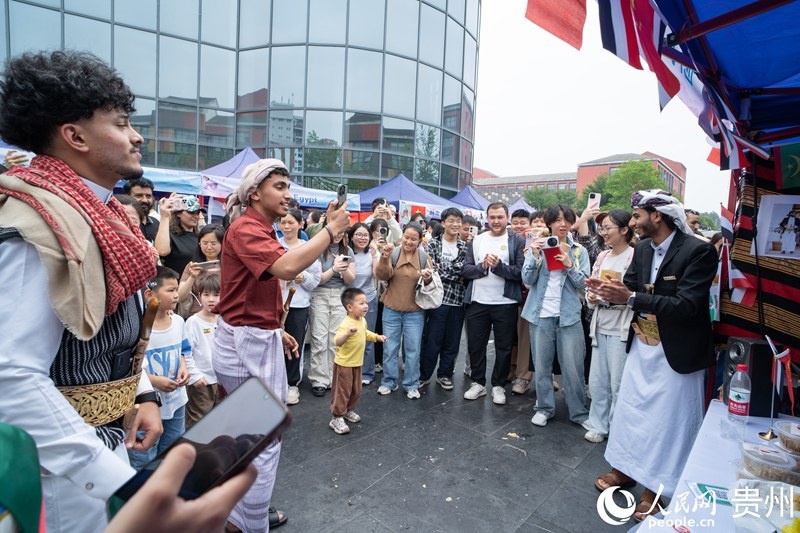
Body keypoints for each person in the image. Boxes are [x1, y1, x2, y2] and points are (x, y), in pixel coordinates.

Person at [0, 50, 162, 532]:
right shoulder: (36, 222)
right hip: (60, 472)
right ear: (74, 135)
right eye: (121, 123)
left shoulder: (100, 214)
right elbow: (10, 376)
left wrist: (144, 394)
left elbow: (116, 323)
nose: (136, 136)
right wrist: (116, 482)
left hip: (102, 445)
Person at [213, 157, 350, 532]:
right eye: (280, 187)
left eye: (289, 187)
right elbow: (288, 269)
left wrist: (277, 329)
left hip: (258, 334)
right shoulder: (245, 228)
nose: (288, 195)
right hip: (247, 339)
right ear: (254, 193)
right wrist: (329, 231)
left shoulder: (260, 227)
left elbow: (258, 287)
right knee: (263, 438)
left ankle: (237, 513)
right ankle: (245, 521)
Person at [588, 190, 717, 522]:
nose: (633, 223)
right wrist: (606, 291)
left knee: (668, 423)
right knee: (634, 411)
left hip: (677, 353)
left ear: (657, 216)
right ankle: (627, 469)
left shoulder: (699, 251)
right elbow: (629, 287)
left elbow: (688, 306)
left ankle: (657, 488)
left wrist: (630, 298)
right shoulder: (643, 249)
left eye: (637, 216)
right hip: (643, 344)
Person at [522, 203, 591, 427]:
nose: (562, 224)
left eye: (566, 220)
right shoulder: (539, 246)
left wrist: (569, 264)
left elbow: (585, 285)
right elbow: (527, 280)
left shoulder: (579, 250)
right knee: (542, 366)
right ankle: (544, 407)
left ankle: (579, 412)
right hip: (541, 314)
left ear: (572, 223)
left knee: (573, 367)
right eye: (557, 220)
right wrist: (533, 254)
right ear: (549, 223)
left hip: (569, 315)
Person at [461, 202, 525, 406]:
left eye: (500, 217)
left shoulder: (517, 240)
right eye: (492, 217)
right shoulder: (477, 240)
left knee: (504, 347)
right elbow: (466, 270)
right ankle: (478, 382)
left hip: (505, 302)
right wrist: (483, 266)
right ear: (487, 218)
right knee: (475, 345)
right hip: (478, 301)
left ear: (507, 217)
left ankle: (498, 385)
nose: (496, 221)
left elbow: (520, 272)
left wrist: (498, 267)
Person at [128, 267, 190, 471]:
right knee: (143, 458)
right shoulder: (138, 329)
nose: (176, 294)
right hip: (148, 406)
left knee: (172, 451)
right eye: (171, 290)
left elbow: (183, 350)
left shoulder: (179, 321)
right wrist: (155, 382)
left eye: (176, 289)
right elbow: (133, 365)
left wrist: (183, 368)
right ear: (150, 294)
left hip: (177, 402)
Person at [582, 210, 634, 444]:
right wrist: (591, 296)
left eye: (608, 228)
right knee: (598, 380)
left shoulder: (635, 256)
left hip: (622, 326)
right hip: (600, 322)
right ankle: (598, 424)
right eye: (601, 229)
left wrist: (608, 296)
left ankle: (617, 428)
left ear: (625, 230)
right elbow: (591, 286)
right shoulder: (602, 256)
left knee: (618, 383)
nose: (603, 233)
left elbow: (633, 293)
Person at [375, 223, 434, 399]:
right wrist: (384, 258)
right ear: (402, 236)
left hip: (415, 311)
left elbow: (430, 283)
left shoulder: (424, 257)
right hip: (391, 309)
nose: (409, 241)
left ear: (419, 240)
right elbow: (382, 275)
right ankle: (389, 382)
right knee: (390, 348)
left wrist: (428, 277)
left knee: (413, 350)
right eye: (406, 237)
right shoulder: (393, 253)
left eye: (413, 239)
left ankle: (411, 384)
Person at [419, 207, 467, 391]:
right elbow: (433, 269)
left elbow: (463, 269)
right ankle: (424, 375)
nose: (455, 224)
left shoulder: (465, 247)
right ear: (443, 223)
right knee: (432, 340)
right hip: (436, 300)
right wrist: (455, 271)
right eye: (451, 220)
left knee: (452, 341)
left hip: (457, 300)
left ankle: (444, 374)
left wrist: (446, 270)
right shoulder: (432, 244)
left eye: (458, 221)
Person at [279, 209, 321, 405]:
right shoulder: (274, 246)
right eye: (283, 222)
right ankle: (274, 383)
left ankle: (291, 384)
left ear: (301, 224)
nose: (286, 226)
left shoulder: (307, 248)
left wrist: (303, 277)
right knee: (274, 346)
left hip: (298, 305)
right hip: (275, 305)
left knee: (295, 345)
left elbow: (315, 281)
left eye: (291, 222)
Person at [329, 288, 386, 434]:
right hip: (344, 364)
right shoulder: (346, 323)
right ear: (349, 307)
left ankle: (348, 410)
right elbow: (337, 340)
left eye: (366, 302)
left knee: (355, 390)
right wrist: (347, 334)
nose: (365, 306)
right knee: (343, 391)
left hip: (357, 363)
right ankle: (337, 417)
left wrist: (377, 337)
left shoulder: (362, 320)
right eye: (361, 303)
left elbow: (365, 333)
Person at [308, 224, 356, 397]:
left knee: (336, 338)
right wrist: (334, 268)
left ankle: (334, 377)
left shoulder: (347, 250)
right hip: (319, 295)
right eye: (336, 231)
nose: (338, 235)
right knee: (319, 337)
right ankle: (319, 378)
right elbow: (319, 279)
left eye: (341, 232)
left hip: (340, 296)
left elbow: (351, 279)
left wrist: (343, 269)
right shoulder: (319, 248)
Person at [183, 272, 221, 428]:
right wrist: (196, 376)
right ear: (199, 296)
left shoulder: (226, 319)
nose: (211, 299)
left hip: (223, 380)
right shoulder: (193, 322)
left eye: (216, 294)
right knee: (198, 421)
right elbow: (186, 353)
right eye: (206, 294)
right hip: (202, 382)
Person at [347, 222, 380, 385]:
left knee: (367, 337)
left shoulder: (373, 253)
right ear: (351, 237)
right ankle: (347, 371)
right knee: (348, 337)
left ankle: (367, 373)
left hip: (368, 300)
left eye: (365, 235)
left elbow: (377, 274)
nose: (362, 238)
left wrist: (375, 255)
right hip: (348, 302)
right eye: (358, 234)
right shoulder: (346, 253)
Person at [177, 224, 224, 318]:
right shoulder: (192, 266)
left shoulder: (230, 266)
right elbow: (180, 297)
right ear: (199, 244)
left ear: (223, 244)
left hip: (223, 316)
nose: (209, 247)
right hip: (196, 316)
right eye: (205, 243)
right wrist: (192, 277)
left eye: (213, 243)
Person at [155, 195, 205, 275]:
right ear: (178, 213)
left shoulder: (200, 235)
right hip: (177, 284)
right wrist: (164, 217)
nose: (195, 216)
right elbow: (162, 251)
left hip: (200, 284)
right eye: (191, 212)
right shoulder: (169, 234)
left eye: (198, 212)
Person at [123, 177, 160, 241]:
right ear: (127, 197)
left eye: (148, 196)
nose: (145, 200)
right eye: (139, 196)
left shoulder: (156, 222)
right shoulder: (122, 223)